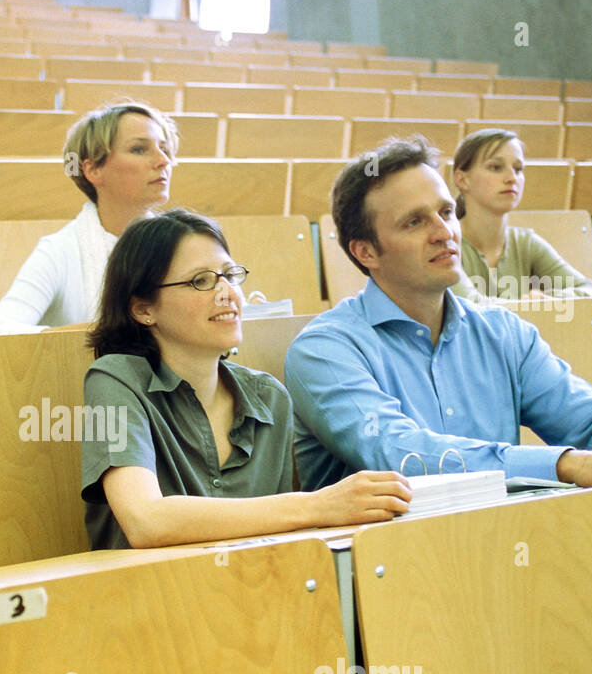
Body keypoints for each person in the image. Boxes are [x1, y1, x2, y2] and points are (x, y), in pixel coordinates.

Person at [285, 136, 592, 493]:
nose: (445, 233)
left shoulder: (505, 333)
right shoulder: (324, 350)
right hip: (391, 569)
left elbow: (589, 417)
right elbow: (403, 455)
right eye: (414, 223)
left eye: (446, 212)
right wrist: (568, 465)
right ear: (365, 252)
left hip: (505, 550)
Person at [81, 209, 410, 550]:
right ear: (143, 309)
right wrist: (317, 506)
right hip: (150, 596)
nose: (227, 293)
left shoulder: (269, 397)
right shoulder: (113, 380)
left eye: (229, 275)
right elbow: (146, 522)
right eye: (201, 281)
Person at [0, 100, 178, 336]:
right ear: (93, 170)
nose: (163, 160)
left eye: (164, 148)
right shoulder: (59, 250)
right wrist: (99, 336)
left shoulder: (184, 243)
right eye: (139, 149)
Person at [449, 128, 592, 303]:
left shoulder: (526, 243)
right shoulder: (446, 245)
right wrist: (528, 306)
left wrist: (548, 299)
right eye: (496, 167)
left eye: (518, 169)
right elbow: (472, 307)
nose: (512, 178)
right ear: (462, 180)